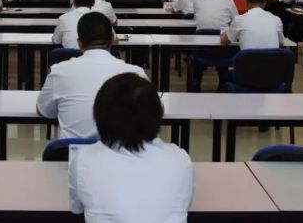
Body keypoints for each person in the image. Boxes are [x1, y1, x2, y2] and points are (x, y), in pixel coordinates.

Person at [69, 73, 193, 223]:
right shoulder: (180, 159)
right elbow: (184, 205)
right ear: (157, 113)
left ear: (101, 115)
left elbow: (76, 208)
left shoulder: (84, 159)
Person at [38, 12, 145, 139]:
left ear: (79, 43)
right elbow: (149, 114)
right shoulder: (136, 74)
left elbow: (44, 111)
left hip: (71, 150)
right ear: (112, 40)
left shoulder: (58, 71)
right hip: (117, 149)